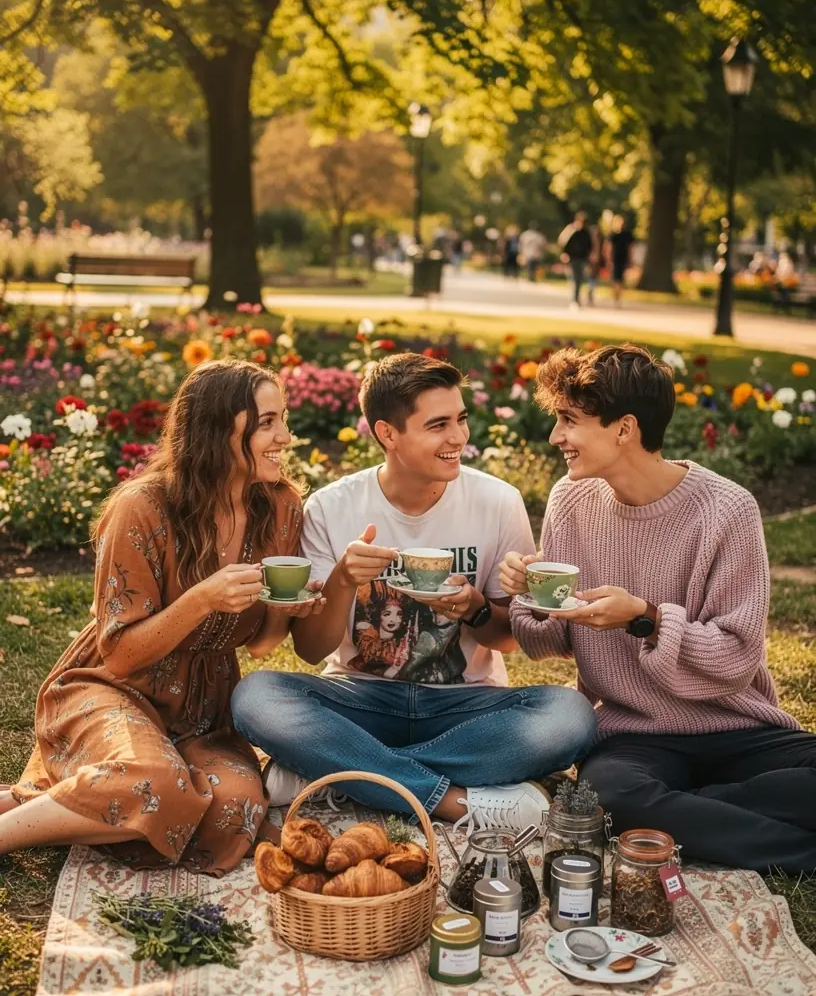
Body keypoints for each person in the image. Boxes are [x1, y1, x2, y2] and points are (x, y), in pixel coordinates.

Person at [232, 353, 596, 834]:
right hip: (360, 700)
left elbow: (506, 640)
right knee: (256, 695)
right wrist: (342, 579)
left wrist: (475, 607)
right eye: (438, 425)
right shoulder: (331, 508)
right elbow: (310, 650)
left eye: (461, 419)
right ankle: (453, 802)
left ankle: (338, 771)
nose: (459, 438)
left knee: (570, 716)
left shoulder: (497, 502)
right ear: (388, 434)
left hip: (466, 708)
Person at [499, 344, 816, 873]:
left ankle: (687, 810)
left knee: (618, 811)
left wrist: (644, 618)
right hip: (634, 735)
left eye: (570, 421)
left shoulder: (727, 510)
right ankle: (799, 850)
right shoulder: (570, 501)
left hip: (735, 726)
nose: (556, 437)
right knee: (613, 797)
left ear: (624, 429)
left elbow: (738, 658)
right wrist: (526, 597)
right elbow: (549, 645)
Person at [1, 360, 325, 874]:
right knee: (152, 782)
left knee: (235, 810)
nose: (284, 436)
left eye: (283, 418)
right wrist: (202, 599)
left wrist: (288, 610)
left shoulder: (280, 508)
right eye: (267, 422)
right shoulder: (142, 507)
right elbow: (120, 654)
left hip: (202, 709)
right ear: (219, 428)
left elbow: (262, 644)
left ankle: (63, 798)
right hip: (112, 687)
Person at [558, 212, 593, 309]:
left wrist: (589, 256)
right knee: (575, 279)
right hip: (572, 258)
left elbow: (590, 245)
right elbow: (563, 242)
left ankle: (576, 299)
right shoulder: (571, 230)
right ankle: (575, 300)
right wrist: (564, 254)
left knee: (579, 279)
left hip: (582, 258)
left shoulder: (586, 233)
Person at [606, 214, 634, 304]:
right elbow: (610, 248)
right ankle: (615, 296)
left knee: (621, 279)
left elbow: (630, 248)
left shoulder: (627, 235)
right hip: (615, 259)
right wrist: (609, 259)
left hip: (623, 258)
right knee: (615, 278)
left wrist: (630, 259)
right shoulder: (613, 235)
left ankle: (618, 296)